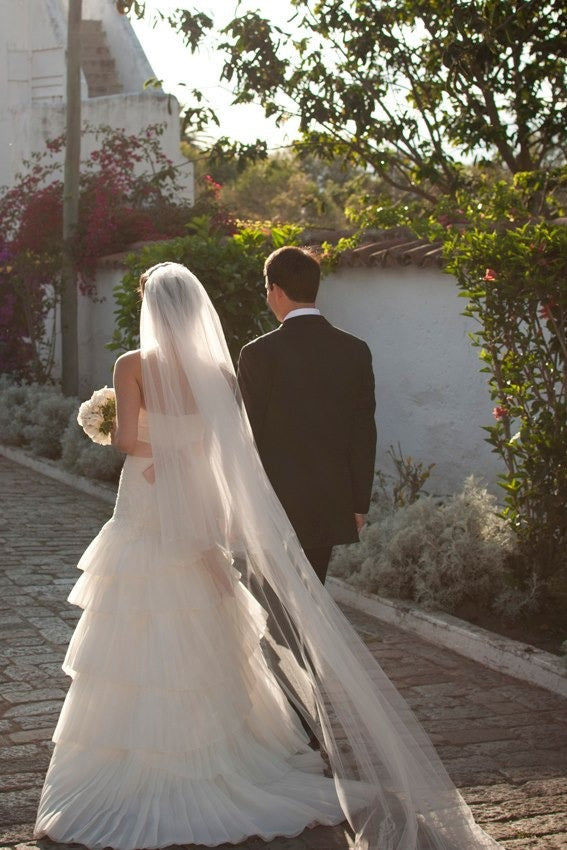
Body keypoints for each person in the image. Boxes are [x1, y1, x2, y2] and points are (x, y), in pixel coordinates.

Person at [34, 262, 500, 850]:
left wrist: (130, 431)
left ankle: (140, 749)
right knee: (209, 603)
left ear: (150, 307)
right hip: (199, 494)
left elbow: (127, 441)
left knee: (136, 608)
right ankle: (232, 745)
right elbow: (230, 446)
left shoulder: (132, 365)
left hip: (147, 498)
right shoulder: (218, 372)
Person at [237, 246, 376, 584]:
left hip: (271, 503)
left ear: (275, 290)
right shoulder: (355, 350)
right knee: (312, 595)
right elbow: (363, 432)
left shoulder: (258, 353)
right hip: (328, 500)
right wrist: (358, 502)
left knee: (269, 599)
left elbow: (246, 432)